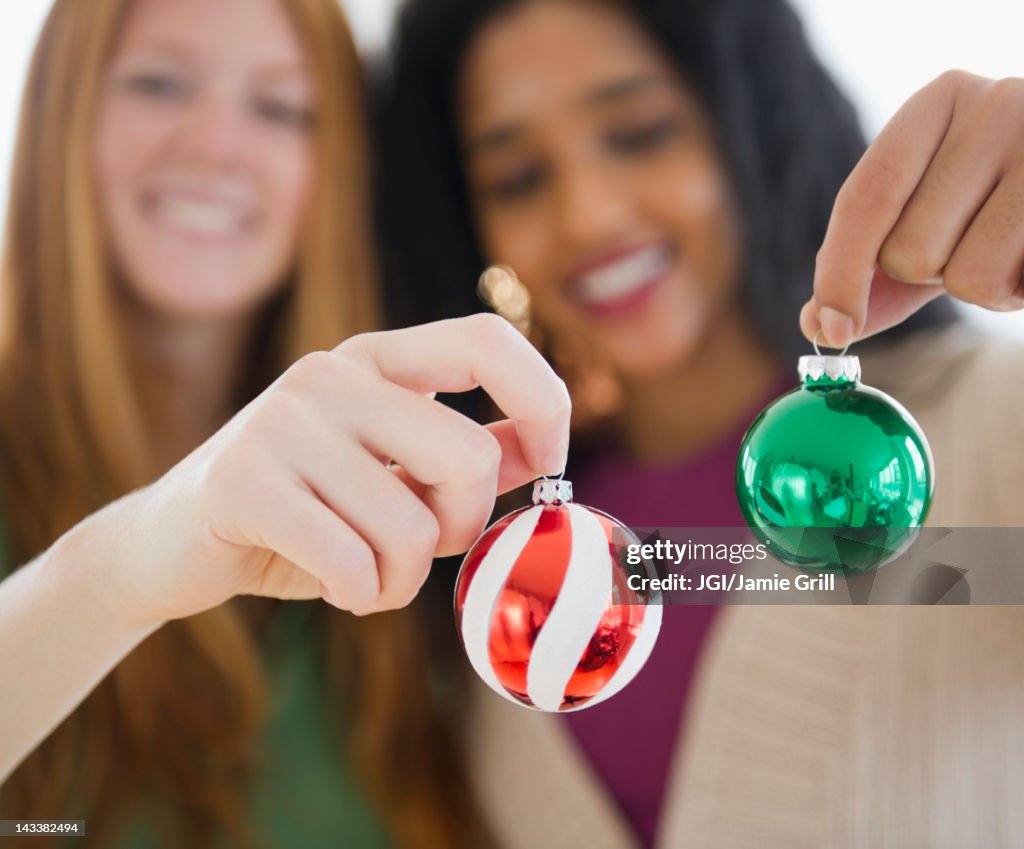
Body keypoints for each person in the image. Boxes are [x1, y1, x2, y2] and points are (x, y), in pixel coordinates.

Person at [379, 0, 1024, 846]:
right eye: (518, 180)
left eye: (640, 132)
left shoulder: (988, 435)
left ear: (751, 124)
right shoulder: (482, 532)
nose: (589, 215)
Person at [0, 1, 569, 848]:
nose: (215, 144)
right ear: (57, 113)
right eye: (158, 84)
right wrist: (118, 570)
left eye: (279, 108)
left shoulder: (437, 482)